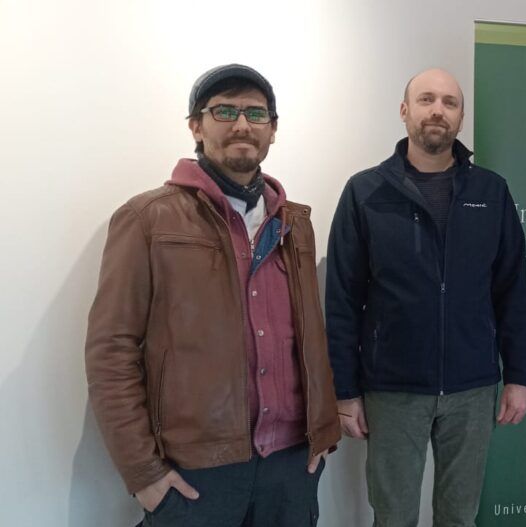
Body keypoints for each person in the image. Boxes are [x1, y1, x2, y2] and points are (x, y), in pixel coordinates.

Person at [84, 64, 341, 526]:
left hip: (290, 468)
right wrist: (145, 474)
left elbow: (309, 336)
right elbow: (111, 351)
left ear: (273, 130)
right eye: (224, 110)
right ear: (196, 127)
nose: (242, 124)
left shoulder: (295, 224)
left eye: (256, 114)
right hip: (196, 474)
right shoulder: (148, 219)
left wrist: (321, 437)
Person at [325, 68, 526, 527]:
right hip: (392, 388)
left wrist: (517, 376)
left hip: (472, 388)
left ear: (460, 119)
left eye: (449, 102)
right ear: (405, 111)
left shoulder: (491, 192)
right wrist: (345, 390)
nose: (437, 110)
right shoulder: (366, 192)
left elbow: (512, 290)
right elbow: (341, 300)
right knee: (393, 515)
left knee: (459, 516)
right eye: (426, 100)